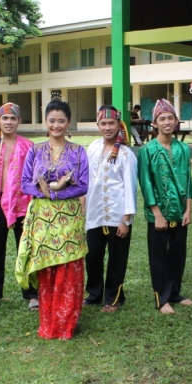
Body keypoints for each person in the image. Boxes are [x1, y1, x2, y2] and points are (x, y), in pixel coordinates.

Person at [15, 100, 89, 340]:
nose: (56, 125)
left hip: (69, 217)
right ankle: (49, 322)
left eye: (61, 120)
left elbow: (83, 185)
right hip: (43, 218)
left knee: (69, 267)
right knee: (47, 266)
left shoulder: (78, 151)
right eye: (52, 120)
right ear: (45, 122)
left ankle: (66, 323)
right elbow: (25, 182)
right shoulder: (35, 151)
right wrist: (43, 192)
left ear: (68, 123)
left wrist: (56, 192)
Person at [138, 98, 192, 315]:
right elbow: (146, 183)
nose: (167, 122)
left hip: (180, 212)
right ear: (155, 123)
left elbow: (188, 180)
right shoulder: (147, 150)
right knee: (159, 256)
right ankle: (162, 298)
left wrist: (188, 209)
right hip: (159, 214)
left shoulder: (184, 148)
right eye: (162, 119)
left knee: (178, 255)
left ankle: (174, 292)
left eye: (170, 118)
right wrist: (157, 213)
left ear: (176, 121)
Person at [0, 102, 37, 313]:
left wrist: (33, 207)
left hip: (23, 204)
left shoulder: (28, 146)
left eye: (13, 118)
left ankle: (31, 294)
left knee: (26, 249)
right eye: (5, 118)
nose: (9, 122)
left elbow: (33, 177)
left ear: (19, 121)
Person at [82, 105, 138, 313]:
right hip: (95, 214)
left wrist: (126, 219)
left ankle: (113, 298)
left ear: (118, 124)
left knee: (117, 259)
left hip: (117, 216)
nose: (107, 127)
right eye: (103, 123)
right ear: (98, 125)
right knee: (93, 256)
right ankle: (94, 294)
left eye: (111, 123)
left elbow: (130, 187)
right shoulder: (93, 147)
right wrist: (83, 208)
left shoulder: (125, 154)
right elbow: (87, 181)